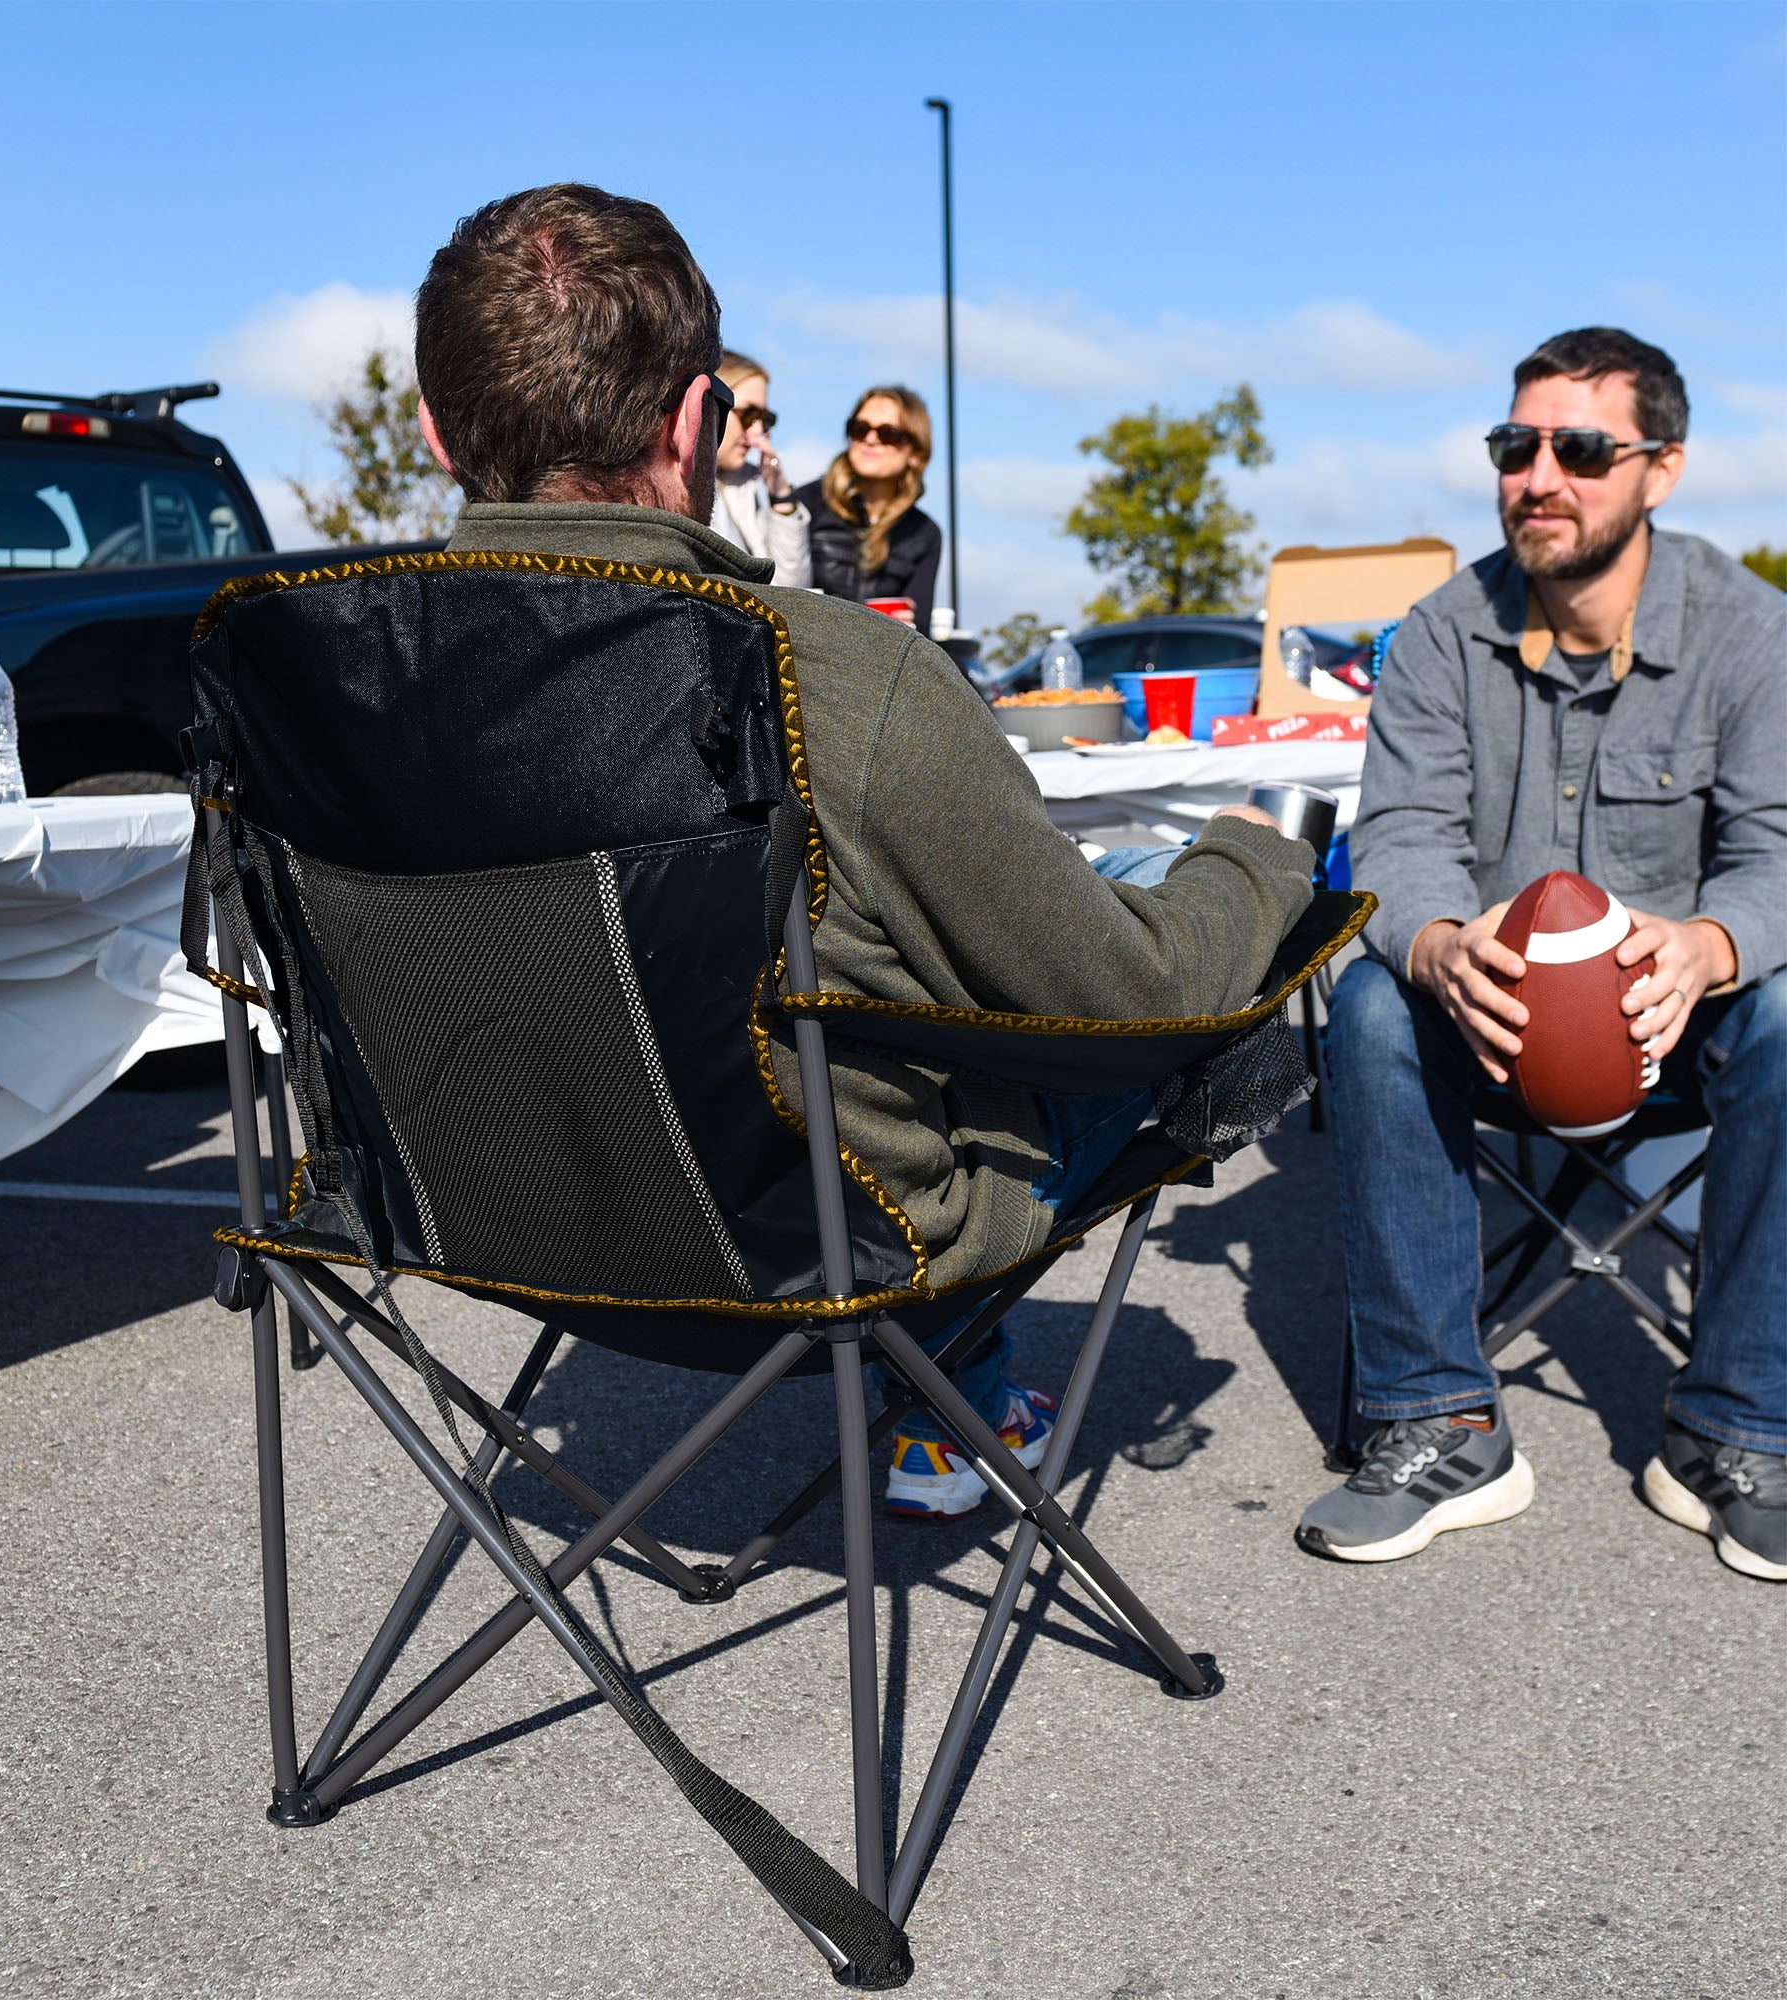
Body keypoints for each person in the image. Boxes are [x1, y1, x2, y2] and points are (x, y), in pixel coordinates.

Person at [412, 184, 1317, 1517]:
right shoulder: (830, 675)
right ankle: (952, 1397)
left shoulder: (333, 688)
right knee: (1181, 945)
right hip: (823, 1241)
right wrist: (1255, 861)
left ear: (434, 431)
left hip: (484, 1218)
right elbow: (1129, 993)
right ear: (693, 423)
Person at [1300, 327, 1787, 1581]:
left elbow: (1776, 850)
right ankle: (1438, 1420)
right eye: (1515, 446)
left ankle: (1735, 1428)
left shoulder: (1747, 630)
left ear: (1660, 467)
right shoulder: (1438, 632)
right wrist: (1438, 943)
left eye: (1577, 448)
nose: (1537, 477)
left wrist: (1708, 944)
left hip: (1677, 1026)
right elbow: (1397, 837)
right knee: (1372, 998)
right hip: (1491, 1022)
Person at [795, 386, 942, 632]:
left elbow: (922, 630)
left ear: (916, 453)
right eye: (860, 429)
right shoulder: (806, 503)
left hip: (884, 654)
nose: (871, 440)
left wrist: (906, 627)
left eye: (888, 433)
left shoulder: (925, 533)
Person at [708, 350, 811, 586]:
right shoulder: (669, 483)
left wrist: (781, 496)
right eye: (748, 415)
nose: (757, 432)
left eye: (764, 419)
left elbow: (792, 591)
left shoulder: (749, 486)